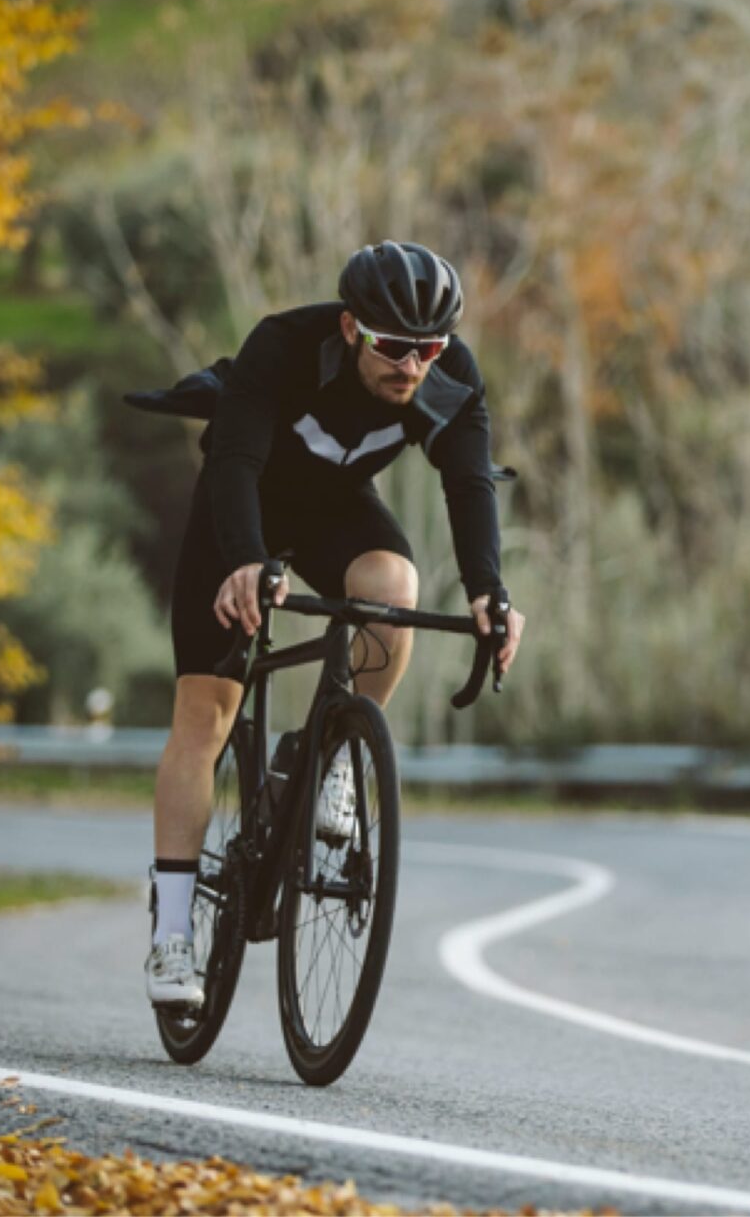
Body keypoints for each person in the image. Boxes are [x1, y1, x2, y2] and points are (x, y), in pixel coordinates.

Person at [142, 241, 525, 1006]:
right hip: (241, 507)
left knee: (393, 585)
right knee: (205, 713)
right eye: (393, 346)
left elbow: (468, 483)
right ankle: (172, 938)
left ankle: (336, 753)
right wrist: (246, 562)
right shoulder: (283, 348)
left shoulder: (447, 379)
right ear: (351, 329)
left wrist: (490, 591)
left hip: (332, 512)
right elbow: (236, 464)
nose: (411, 366)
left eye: (429, 349)